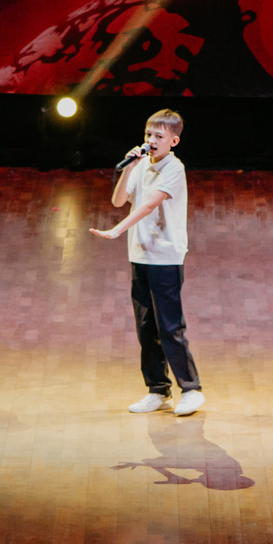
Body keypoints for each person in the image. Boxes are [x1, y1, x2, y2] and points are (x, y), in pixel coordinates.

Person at [91, 108, 204, 416]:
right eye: (148, 134)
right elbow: (118, 200)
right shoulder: (141, 165)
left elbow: (149, 205)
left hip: (165, 257)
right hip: (139, 254)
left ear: (173, 141)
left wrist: (117, 230)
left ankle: (191, 389)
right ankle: (157, 389)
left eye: (158, 136)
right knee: (145, 327)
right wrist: (129, 168)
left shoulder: (174, 169)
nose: (151, 140)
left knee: (169, 326)